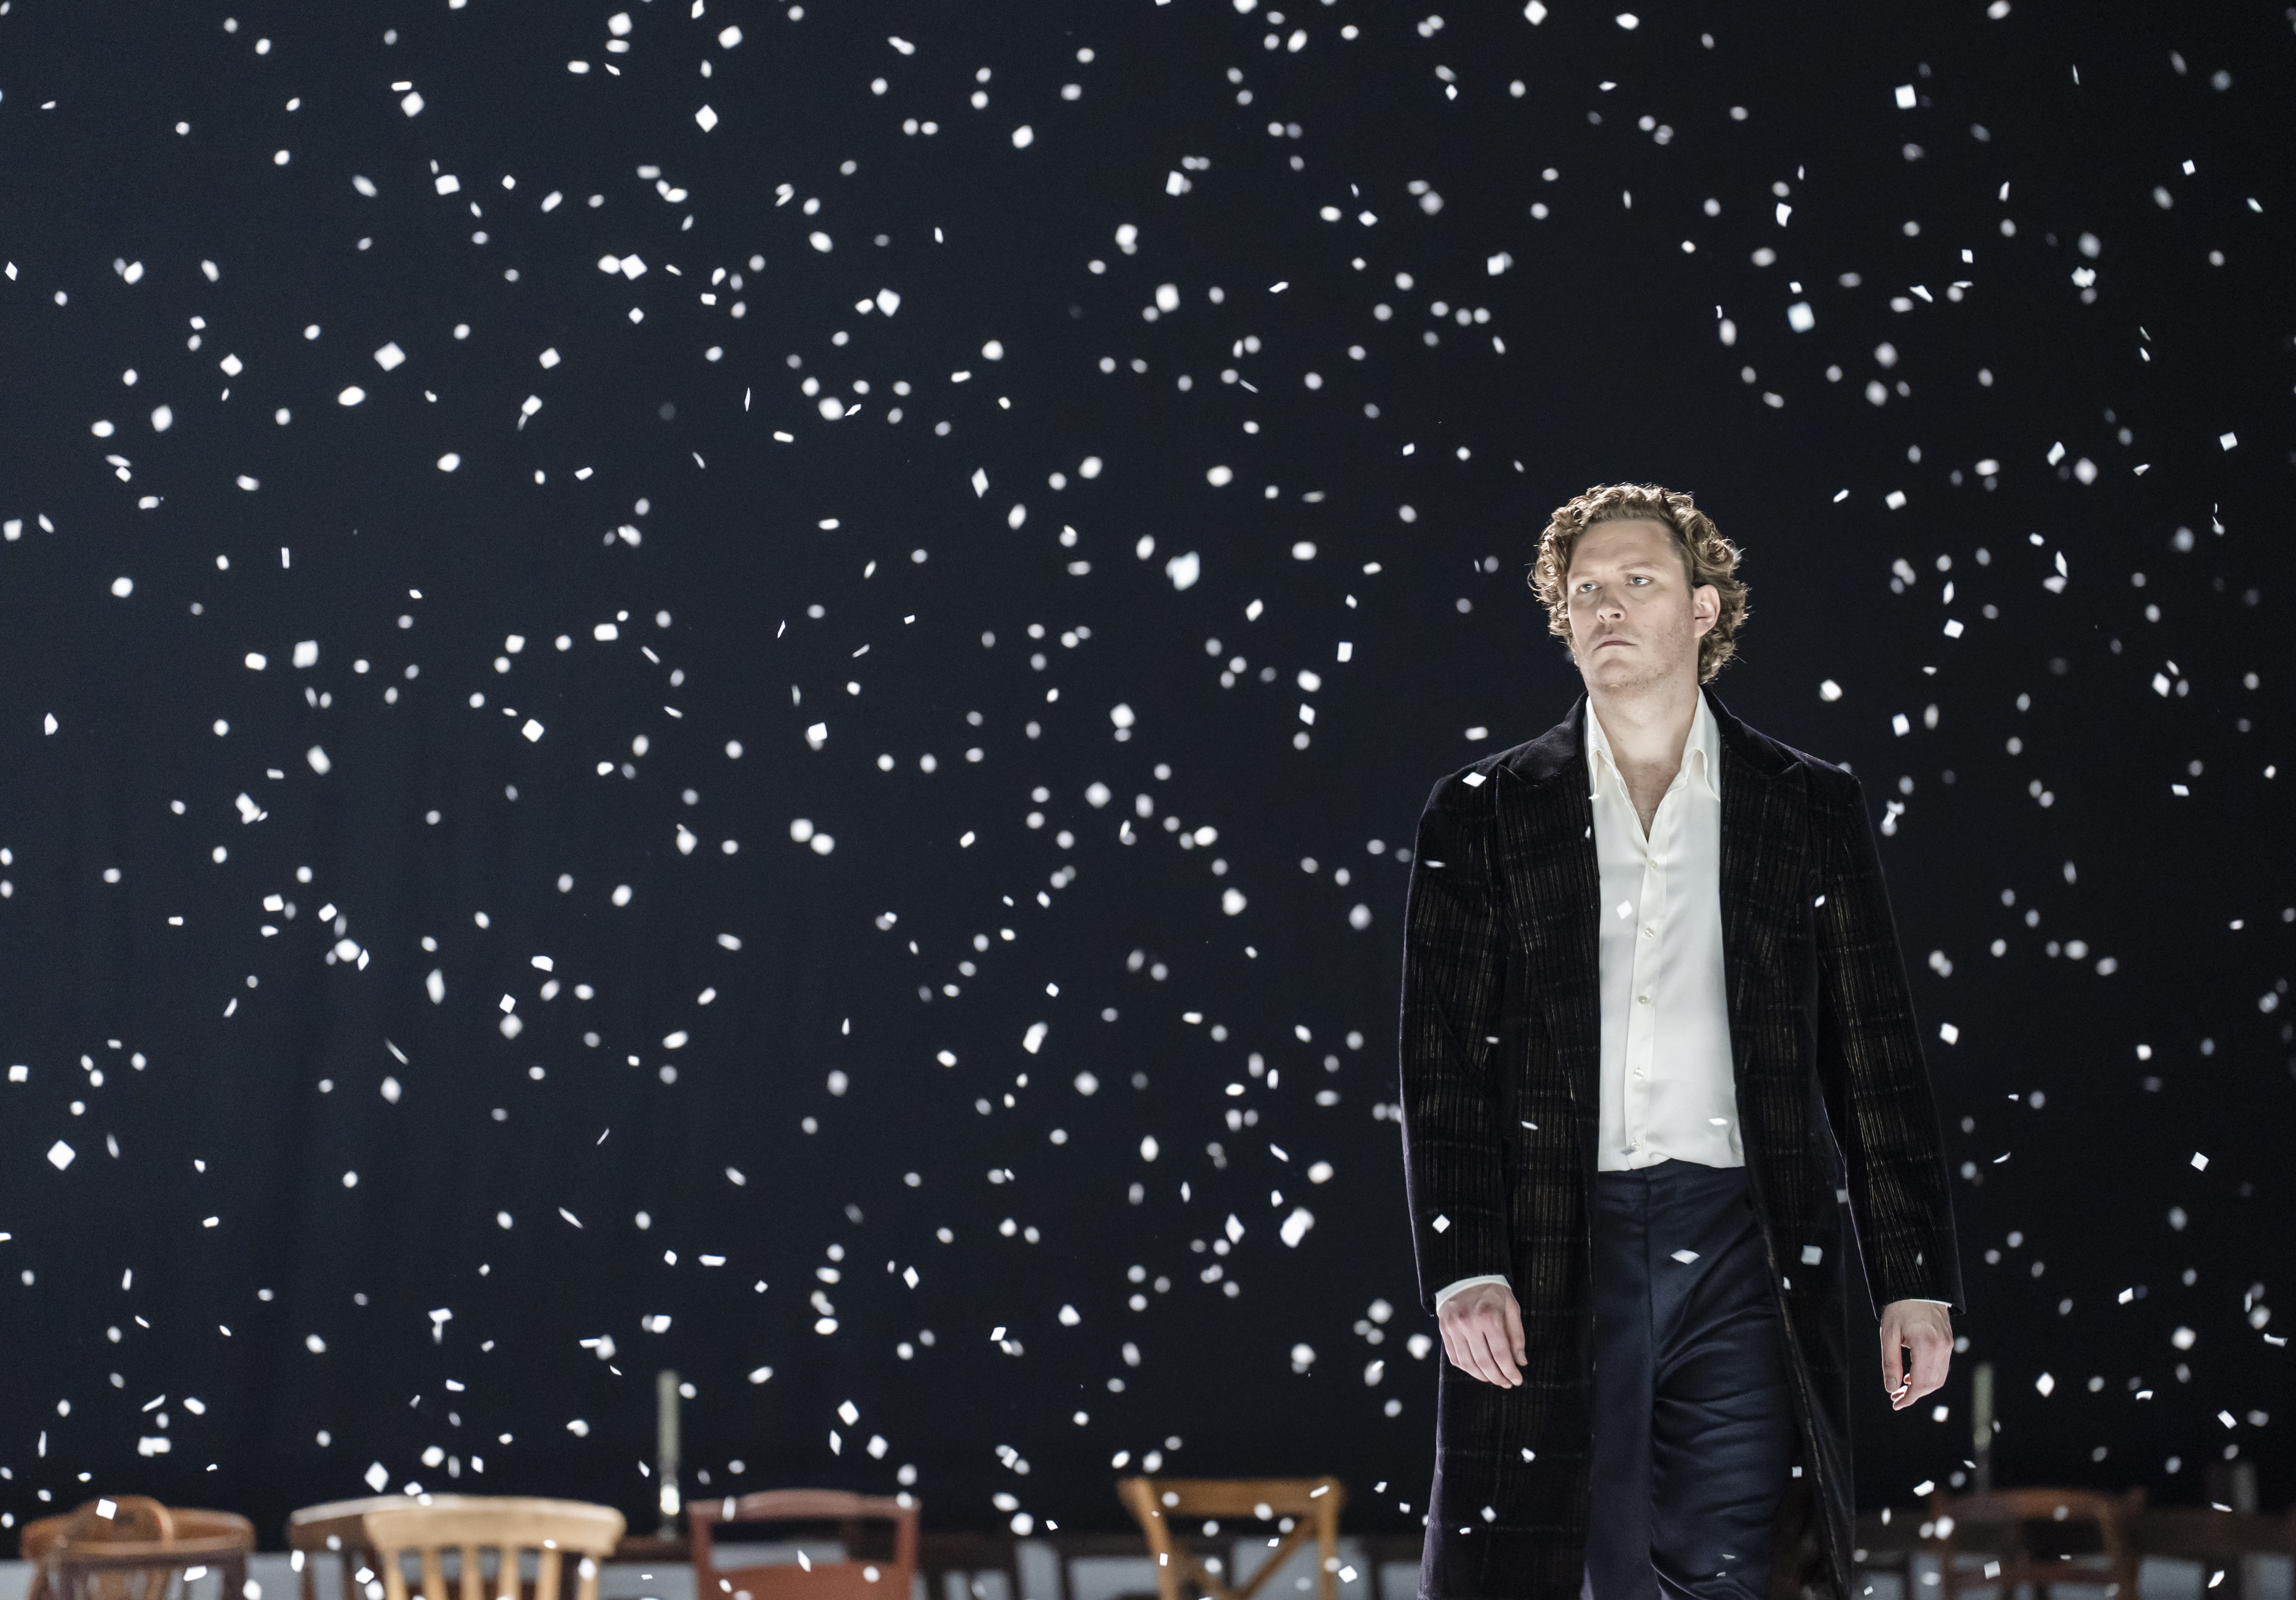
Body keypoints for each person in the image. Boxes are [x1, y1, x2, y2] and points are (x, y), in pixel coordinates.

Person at [1397, 483, 1963, 1600]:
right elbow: (1442, 1062)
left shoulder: (1805, 804)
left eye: (1636, 581)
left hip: (1745, 1240)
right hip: (1556, 1241)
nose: (1605, 606)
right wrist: (1463, 1260)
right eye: (1584, 592)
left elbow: (1872, 1052)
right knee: (1563, 1557)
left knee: (1740, 1563)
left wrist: (1912, 1277)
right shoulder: (1479, 812)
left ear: (1704, 609)